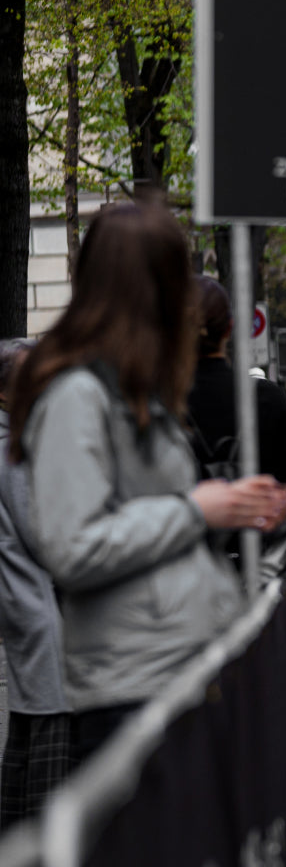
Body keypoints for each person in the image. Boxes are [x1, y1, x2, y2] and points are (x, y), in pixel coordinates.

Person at [11, 203, 286, 763]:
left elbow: (148, 524)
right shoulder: (78, 396)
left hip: (169, 669)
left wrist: (229, 510)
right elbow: (74, 545)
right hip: (133, 683)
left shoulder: (131, 387)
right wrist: (198, 510)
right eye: (174, 277)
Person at [185, 277, 286, 551]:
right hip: (257, 567)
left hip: (177, 571)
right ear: (230, 328)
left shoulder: (152, 403)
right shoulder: (266, 398)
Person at [0, 337, 70, 827]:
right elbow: (46, 535)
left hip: (23, 606)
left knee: (27, 733)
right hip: (42, 611)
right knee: (49, 735)